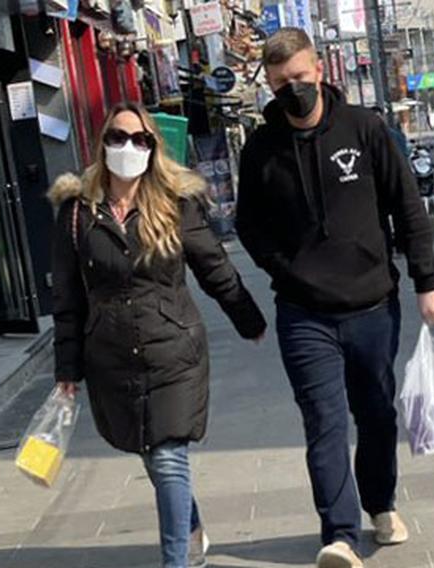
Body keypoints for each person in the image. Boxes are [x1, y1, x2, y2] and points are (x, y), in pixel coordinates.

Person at [235, 28, 434, 568]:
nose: (292, 91)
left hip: (373, 306)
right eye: (281, 83)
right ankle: (340, 535)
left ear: (320, 71)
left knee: (376, 415)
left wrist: (427, 280)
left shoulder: (365, 129)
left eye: (300, 79)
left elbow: (408, 206)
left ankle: (380, 502)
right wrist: (283, 269)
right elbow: (249, 225)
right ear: (269, 82)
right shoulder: (261, 149)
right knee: (324, 422)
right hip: (304, 314)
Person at [49, 102, 267, 568]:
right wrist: (66, 367)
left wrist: (249, 320)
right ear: (101, 143)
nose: (128, 147)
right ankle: (190, 528)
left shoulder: (174, 204)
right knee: (153, 457)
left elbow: (215, 267)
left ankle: (178, 561)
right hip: (111, 357)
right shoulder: (75, 213)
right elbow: (67, 298)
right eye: (118, 137)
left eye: (140, 139)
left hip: (174, 351)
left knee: (168, 456)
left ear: (153, 149)